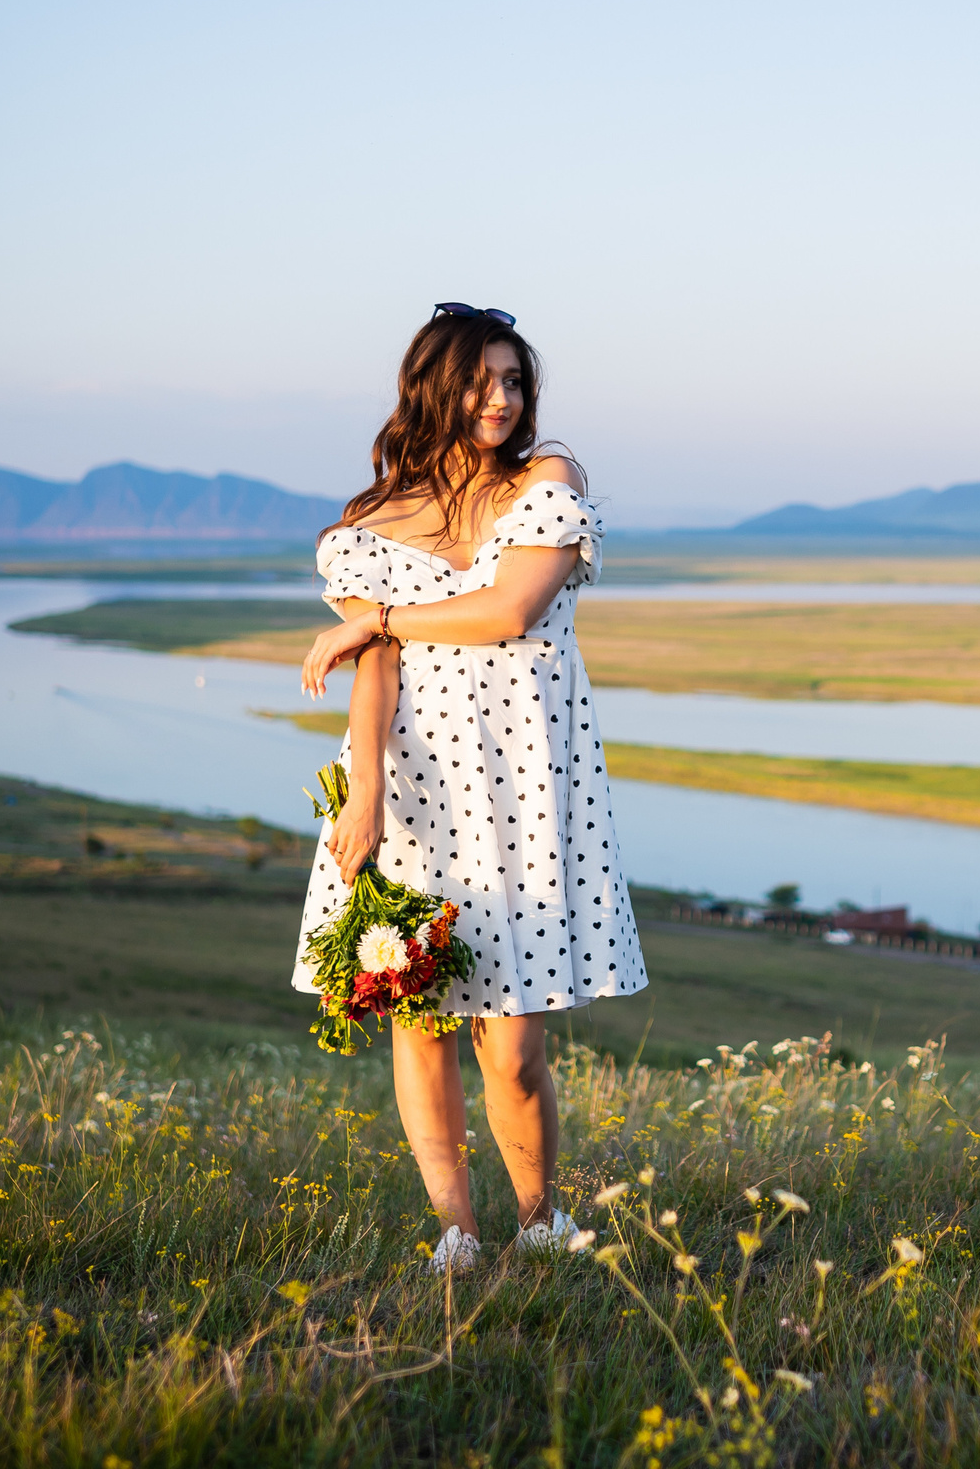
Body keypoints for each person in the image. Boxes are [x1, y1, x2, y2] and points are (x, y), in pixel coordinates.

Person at [295, 303, 647, 1272]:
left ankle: (540, 1219)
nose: (501, 398)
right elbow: (377, 680)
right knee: (421, 1017)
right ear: (432, 386)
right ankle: (458, 1231)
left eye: (514, 380)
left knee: (516, 1045)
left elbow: (509, 610)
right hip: (413, 785)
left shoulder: (546, 480)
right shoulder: (369, 526)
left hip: (527, 783)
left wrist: (371, 621)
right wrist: (363, 792)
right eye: (481, 379)